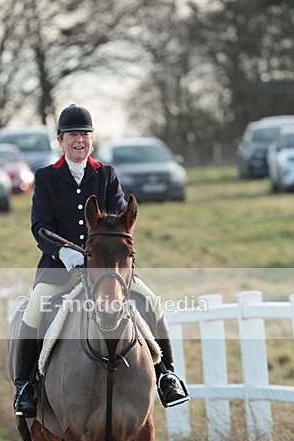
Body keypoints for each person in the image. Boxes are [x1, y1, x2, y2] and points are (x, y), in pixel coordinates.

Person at [12, 103, 189, 417]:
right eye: (72, 135)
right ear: (60, 140)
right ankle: (25, 386)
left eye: (84, 134)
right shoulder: (46, 178)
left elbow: (121, 219)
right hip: (60, 271)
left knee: (151, 303)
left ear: (91, 140)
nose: (79, 140)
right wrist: (62, 252)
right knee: (33, 310)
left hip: (108, 272)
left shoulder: (106, 174)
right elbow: (39, 227)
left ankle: (167, 374)